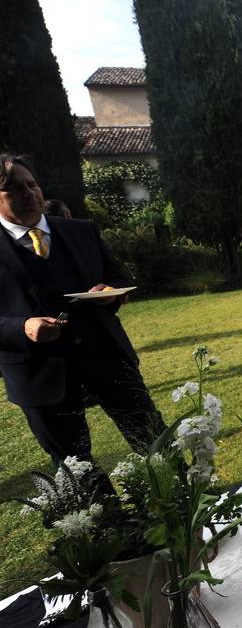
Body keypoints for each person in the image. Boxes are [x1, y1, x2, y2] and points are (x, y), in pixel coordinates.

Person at [0, 154, 164, 472]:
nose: (29, 194)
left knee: (154, 440)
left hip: (106, 356)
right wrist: (21, 328)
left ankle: (186, 508)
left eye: (32, 185)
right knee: (75, 465)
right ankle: (108, 521)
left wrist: (109, 293)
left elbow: (118, 278)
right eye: (14, 190)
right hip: (40, 374)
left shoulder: (81, 231)